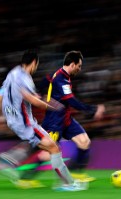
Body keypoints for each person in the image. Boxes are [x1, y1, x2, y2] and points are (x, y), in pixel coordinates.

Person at [0, 50, 87, 191]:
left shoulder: (12, 74)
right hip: (26, 124)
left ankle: (6, 159)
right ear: (34, 63)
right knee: (54, 148)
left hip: (12, 120)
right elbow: (31, 99)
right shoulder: (26, 79)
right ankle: (67, 184)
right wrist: (51, 106)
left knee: (41, 146)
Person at [41, 50, 105, 182]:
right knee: (46, 154)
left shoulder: (63, 76)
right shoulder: (61, 79)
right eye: (79, 66)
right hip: (54, 122)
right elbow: (71, 101)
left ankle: (75, 173)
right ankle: (26, 178)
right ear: (72, 64)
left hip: (65, 119)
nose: (80, 69)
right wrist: (93, 110)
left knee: (84, 141)